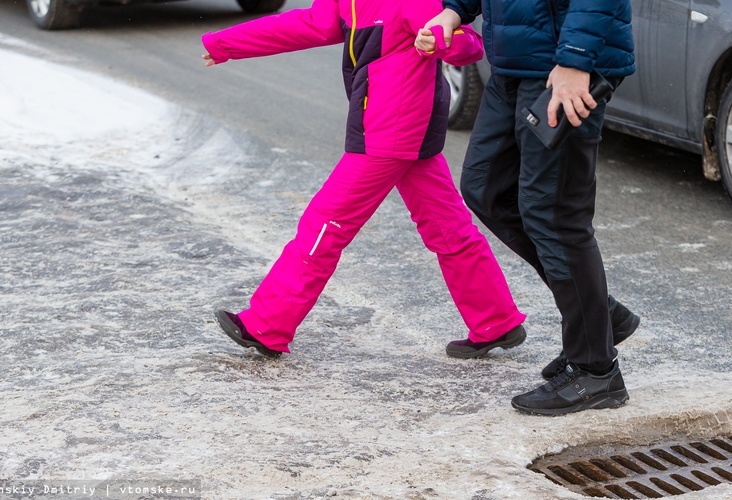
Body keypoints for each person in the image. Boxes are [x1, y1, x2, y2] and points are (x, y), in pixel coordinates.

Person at [200, 0, 527, 361]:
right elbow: (305, 25)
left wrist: (440, 40)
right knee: (447, 226)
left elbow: (469, 42)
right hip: (398, 127)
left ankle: (266, 325)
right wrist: (226, 44)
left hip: (389, 133)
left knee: (324, 226)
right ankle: (496, 320)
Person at [415, 0, 640, 415]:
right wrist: (454, 11)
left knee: (553, 214)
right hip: (514, 61)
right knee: (487, 189)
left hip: (564, 66)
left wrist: (575, 60)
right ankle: (602, 318)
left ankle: (596, 371)